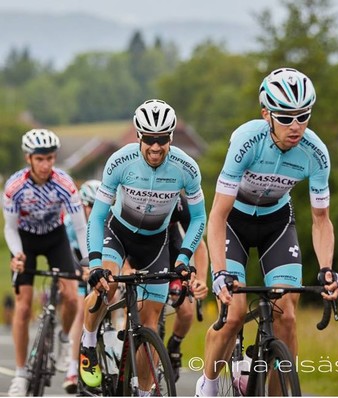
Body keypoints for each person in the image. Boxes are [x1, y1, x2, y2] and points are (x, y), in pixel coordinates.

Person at [195, 67, 338, 396]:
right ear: (267, 114)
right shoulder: (248, 140)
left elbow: (321, 220)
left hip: (276, 223)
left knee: (286, 315)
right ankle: (207, 385)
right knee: (233, 314)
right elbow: (218, 215)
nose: (296, 126)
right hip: (234, 221)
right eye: (286, 117)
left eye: (303, 116)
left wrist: (326, 270)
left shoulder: (316, 153)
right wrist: (219, 273)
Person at [79, 99, 206, 394]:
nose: (156, 147)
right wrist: (96, 264)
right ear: (139, 136)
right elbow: (98, 216)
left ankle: (144, 391)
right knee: (106, 286)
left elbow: (199, 217)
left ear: (171, 137)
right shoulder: (119, 161)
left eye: (162, 139)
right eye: (149, 139)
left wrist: (185, 257)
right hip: (118, 234)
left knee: (150, 323)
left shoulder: (186, 167)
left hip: (155, 243)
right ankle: (87, 344)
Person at [2, 129, 88, 397]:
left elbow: (81, 227)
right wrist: (17, 255)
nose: (46, 164)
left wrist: (87, 261)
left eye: (50, 158)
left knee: (73, 297)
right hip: (25, 239)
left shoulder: (64, 183)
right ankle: (20, 374)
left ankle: (63, 339)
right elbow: (10, 229)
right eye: (40, 159)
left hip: (55, 237)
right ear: (29, 158)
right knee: (23, 306)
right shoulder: (15, 187)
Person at [62, 179, 101, 394]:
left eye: (97, 205)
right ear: (82, 205)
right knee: (80, 311)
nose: (93, 210)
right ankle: (72, 368)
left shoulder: (106, 220)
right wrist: (78, 272)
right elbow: (66, 252)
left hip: (97, 269)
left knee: (113, 302)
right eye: (90, 206)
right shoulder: (71, 222)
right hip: (78, 268)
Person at [165, 193, 209, 382]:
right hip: (140, 255)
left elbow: (199, 245)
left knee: (187, 311)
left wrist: (200, 279)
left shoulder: (180, 203)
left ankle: (174, 345)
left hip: (171, 255)